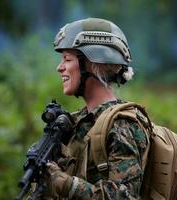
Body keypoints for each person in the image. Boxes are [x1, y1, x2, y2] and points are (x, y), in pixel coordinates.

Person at [44, 18, 150, 199]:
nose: (59, 68)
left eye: (67, 59)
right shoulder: (78, 121)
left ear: (93, 63)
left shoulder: (121, 125)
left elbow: (122, 197)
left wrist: (64, 183)